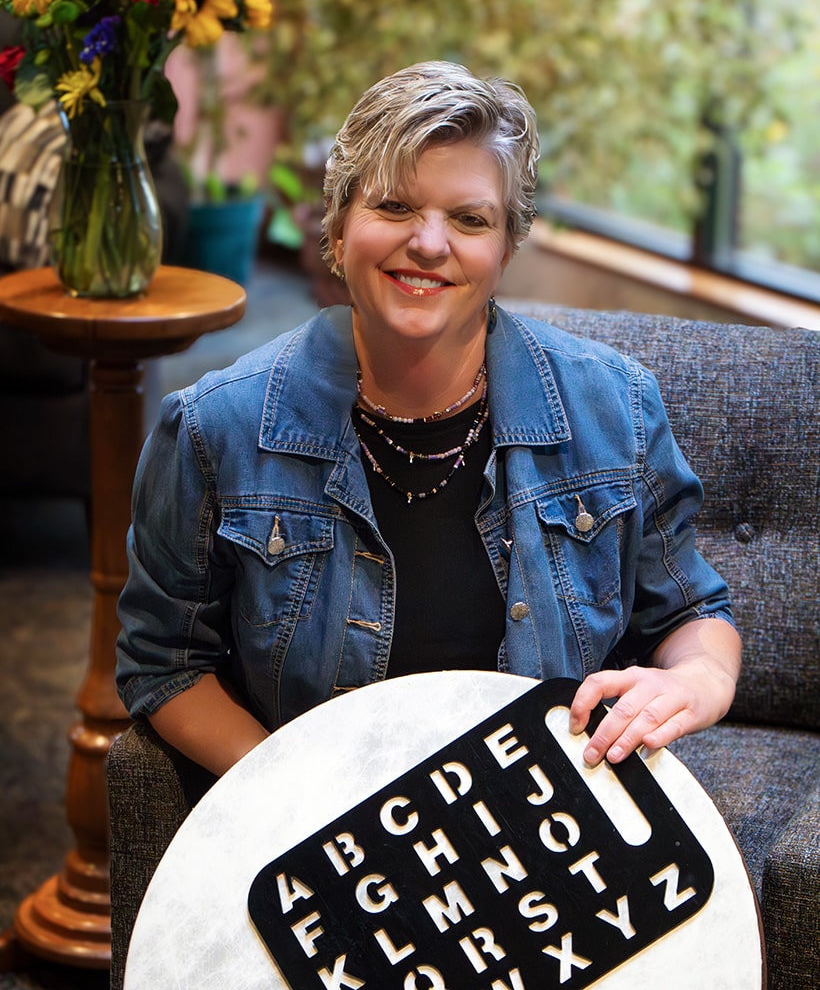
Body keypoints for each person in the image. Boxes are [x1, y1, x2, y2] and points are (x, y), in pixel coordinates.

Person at [116, 61, 741, 779]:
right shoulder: (213, 426)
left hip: (549, 834)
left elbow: (695, 613)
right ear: (340, 222)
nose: (430, 244)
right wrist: (287, 798)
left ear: (505, 246)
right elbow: (161, 659)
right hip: (321, 834)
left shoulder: (615, 408)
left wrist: (697, 681)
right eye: (394, 207)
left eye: (470, 219)